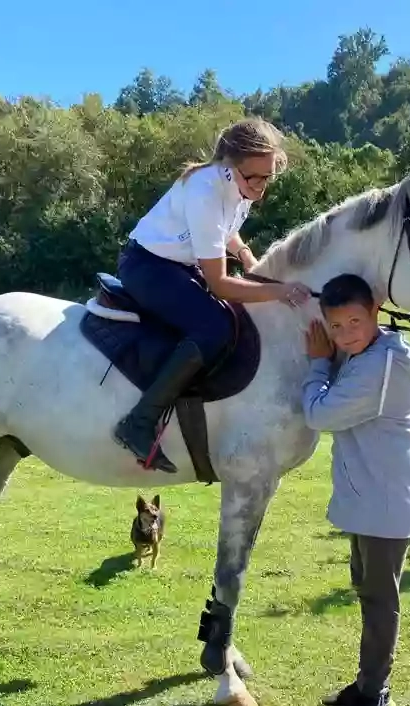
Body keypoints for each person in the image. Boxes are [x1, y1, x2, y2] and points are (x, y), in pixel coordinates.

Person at [114, 117, 312, 473]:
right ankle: (139, 422)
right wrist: (279, 291)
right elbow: (220, 283)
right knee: (215, 328)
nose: (262, 187)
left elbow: (227, 230)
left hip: (176, 265)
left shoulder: (240, 184)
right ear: (231, 165)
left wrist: (247, 255)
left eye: (268, 177)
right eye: (256, 177)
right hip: (148, 266)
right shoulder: (205, 191)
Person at [301, 273, 410, 706]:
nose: (346, 334)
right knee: (368, 588)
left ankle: (377, 693)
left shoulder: (380, 365)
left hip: (386, 498)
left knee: (380, 600)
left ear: (375, 311)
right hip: (372, 495)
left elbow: (319, 413)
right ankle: (365, 683)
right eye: (335, 328)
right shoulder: (370, 353)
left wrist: (319, 363)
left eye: (355, 321)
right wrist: (334, 356)